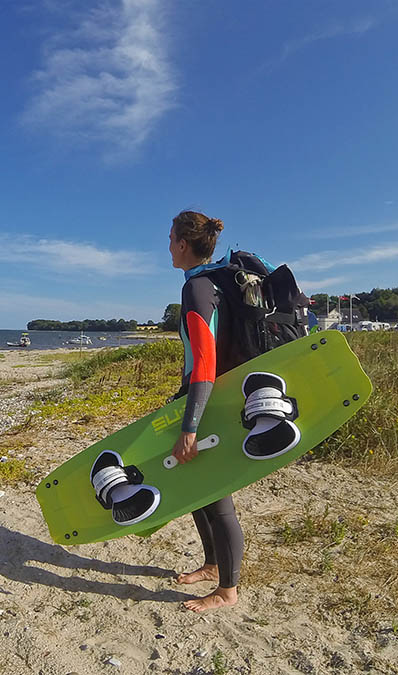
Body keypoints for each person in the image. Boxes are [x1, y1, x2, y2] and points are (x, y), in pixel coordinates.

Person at [167, 210, 244, 612]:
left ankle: (228, 591)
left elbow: (205, 363)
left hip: (209, 402)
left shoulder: (198, 289)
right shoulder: (211, 283)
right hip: (205, 397)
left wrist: (190, 425)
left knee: (216, 499)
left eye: (170, 238)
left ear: (183, 244)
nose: (167, 246)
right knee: (197, 490)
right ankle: (213, 565)